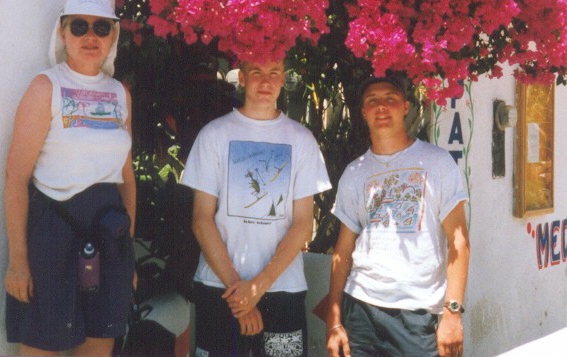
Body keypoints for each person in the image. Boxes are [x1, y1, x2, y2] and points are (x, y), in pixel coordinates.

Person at [5, 0, 136, 356]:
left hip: (108, 233)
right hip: (53, 232)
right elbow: (16, 178)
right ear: (63, 33)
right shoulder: (46, 87)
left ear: (112, 35)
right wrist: (18, 261)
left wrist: (126, 252)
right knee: (41, 346)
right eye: (79, 27)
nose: (90, 36)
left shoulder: (120, 94)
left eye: (101, 28)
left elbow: (127, 179)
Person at [182, 59, 331, 357]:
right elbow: (201, 219)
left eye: (274, 73)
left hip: (283, 288)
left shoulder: (301, 140)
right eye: (257, 72)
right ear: (242, 78)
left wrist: (257, 288)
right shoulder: (214, 134)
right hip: (220, 286)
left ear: (283, 79)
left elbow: (303, 224)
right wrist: (241, 294)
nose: (266, 81)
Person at [326, 75, 470, 357]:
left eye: (390, 99)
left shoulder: (437, 162)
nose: (381, 106)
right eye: (372, 101)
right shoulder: (354, 172)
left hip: (417, 315)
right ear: (363, 112)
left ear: (405, 107)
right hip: (361, 310)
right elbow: (342, 251)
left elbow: (459, 242)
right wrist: (334, 321)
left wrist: (452, 313)